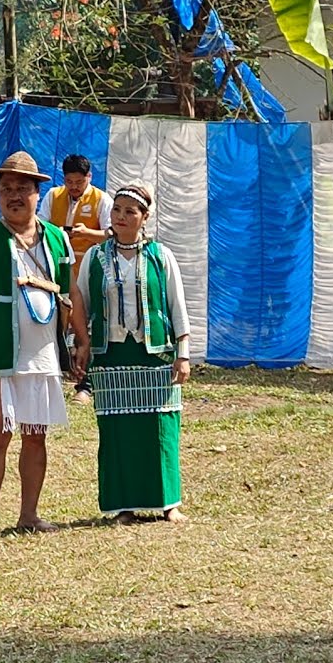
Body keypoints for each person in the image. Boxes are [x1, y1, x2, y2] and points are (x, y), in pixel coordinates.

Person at [0, 150, 78, 541]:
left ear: (37, 194)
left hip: (43, 354)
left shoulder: (57, 239)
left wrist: (79, 343)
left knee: (35, 435)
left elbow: (69, 294)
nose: (14, 195)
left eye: (22, 189)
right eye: (6, 188)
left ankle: (29, 514)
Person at [72, 181, 191, 525]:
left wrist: (182, 354)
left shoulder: (160, 256)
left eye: (130, 211)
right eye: (117, 210)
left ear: (145, 217)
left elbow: (176, 305)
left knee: (161, 426)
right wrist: (79, 344)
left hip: (153, 355)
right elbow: (80, 302)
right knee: (117, 430)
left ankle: (168, 503)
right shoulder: (95, 257)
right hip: (110, 356)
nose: (121, 217)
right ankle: (122, 505)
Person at [37, 154, 112, 405]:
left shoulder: (102, 199)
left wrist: (87, 233)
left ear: (89, 178)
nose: (74, 187)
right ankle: (53, 380)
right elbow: (40, 227)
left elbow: (112, 233)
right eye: (69, 181)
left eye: (79, 181)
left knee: (86, 330)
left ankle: (86, 386)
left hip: (90, 272)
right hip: (58, 273)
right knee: (56, 326)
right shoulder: (53, 196)